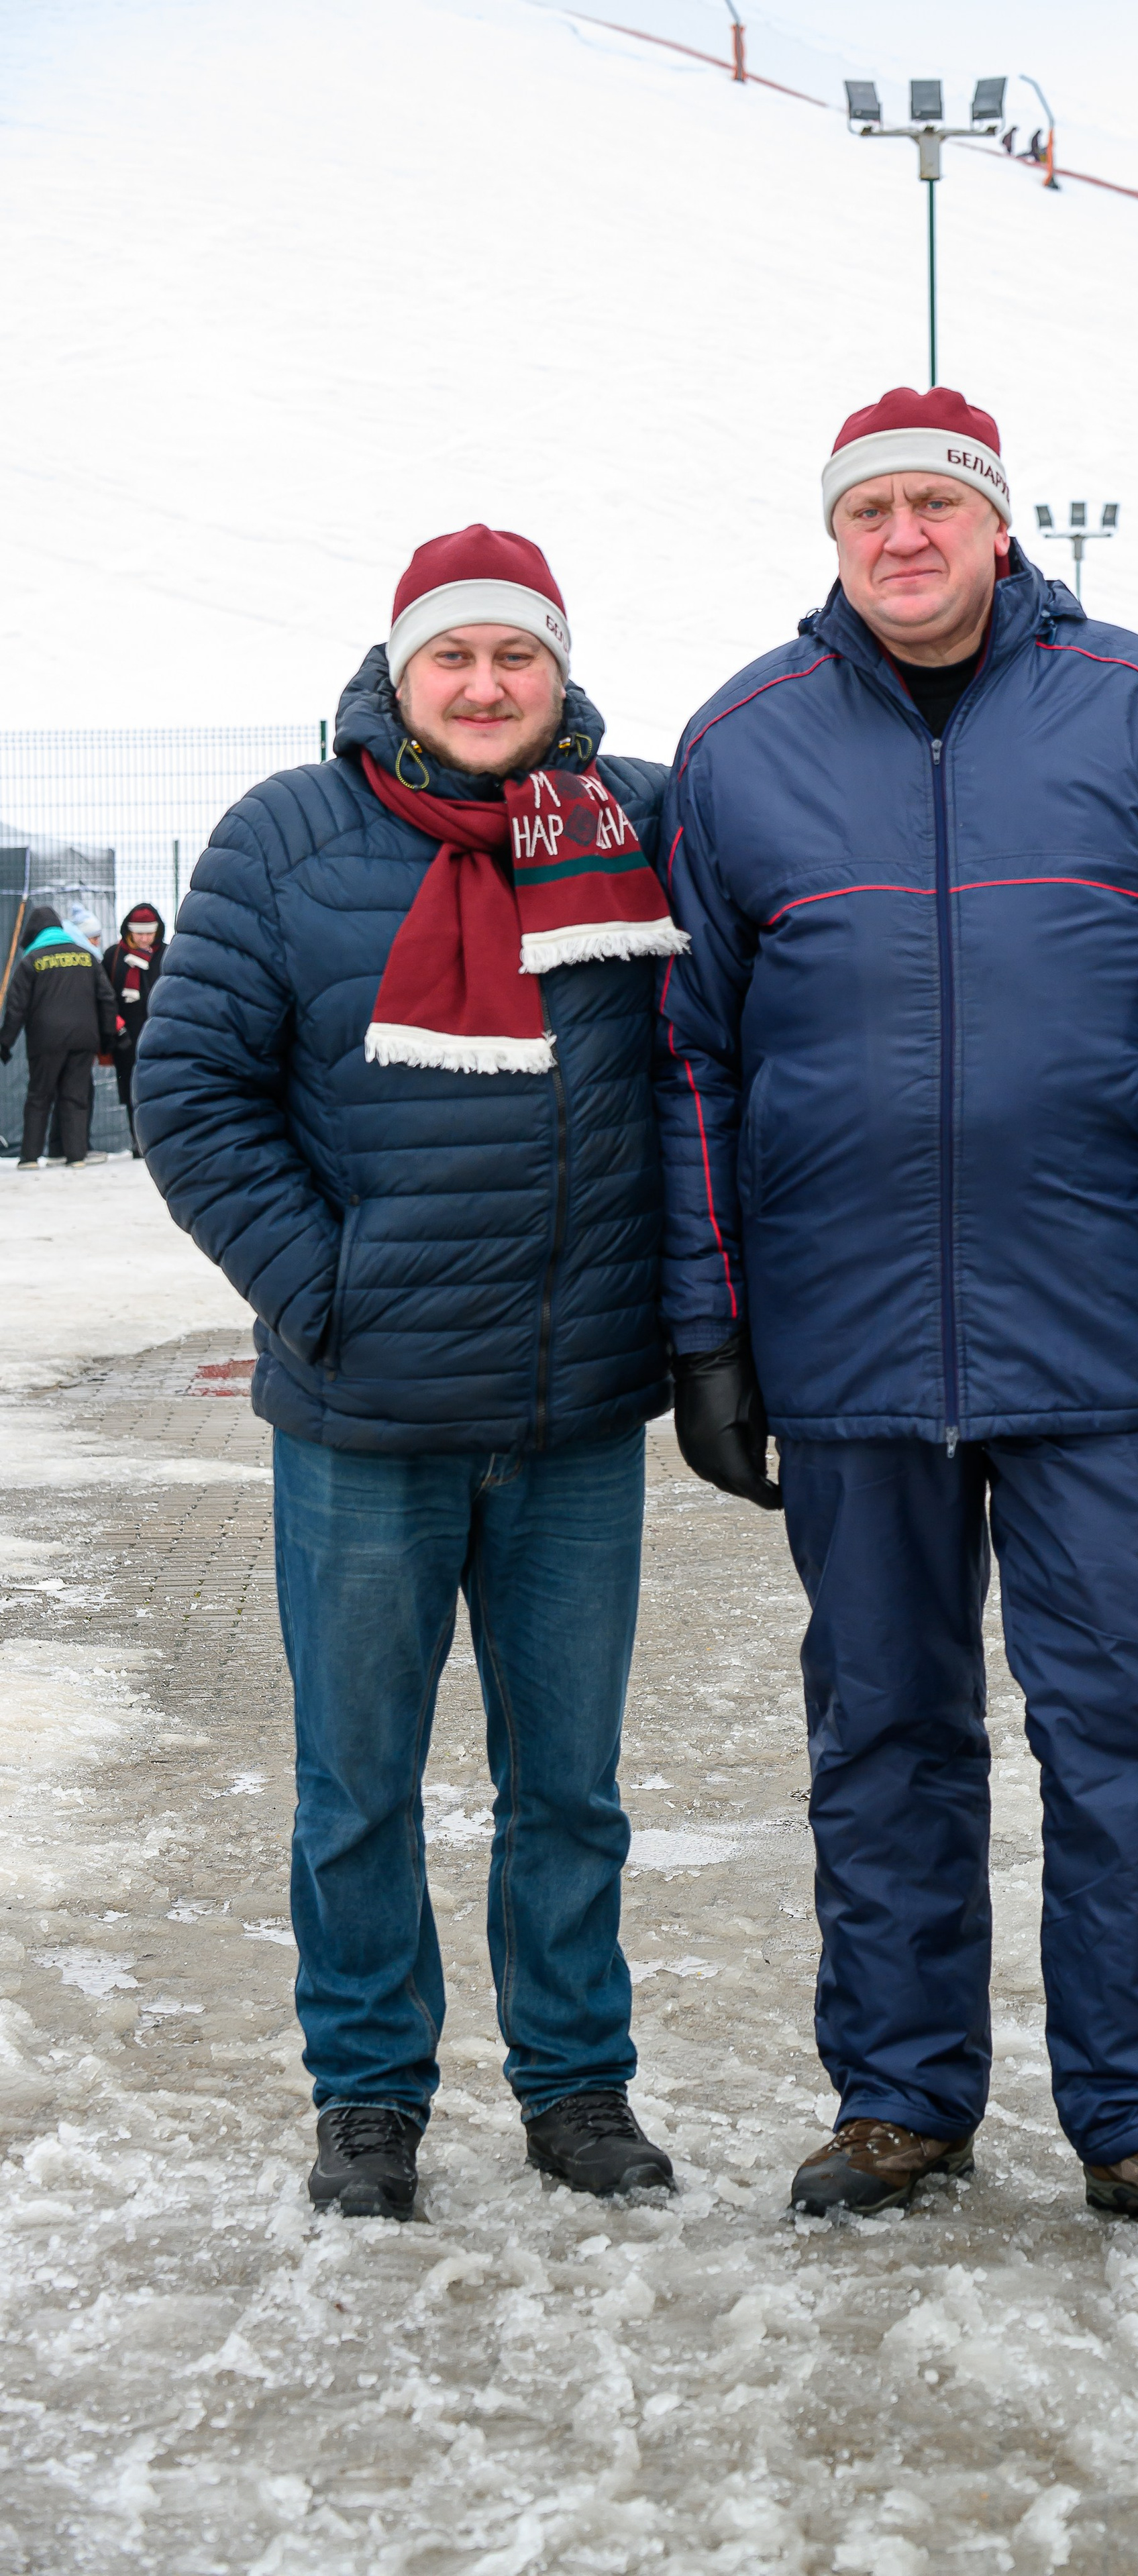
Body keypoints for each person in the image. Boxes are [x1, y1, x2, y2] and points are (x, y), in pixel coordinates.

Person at [657, 386, 1138, 2237]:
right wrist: (710, 1331)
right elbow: (688, 1062)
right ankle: (899, 2104)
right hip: (848, 1343)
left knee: (1129, 1728)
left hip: (1102, 1338)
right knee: (885, 1732)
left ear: (1004, 526)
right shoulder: (743, 747)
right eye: (869, 511)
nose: (904, 538)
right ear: (834, 537)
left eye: (938, 505)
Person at [135, 525, 686, 2222]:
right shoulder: (288, 841)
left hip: (574, 1413)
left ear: (557, 668)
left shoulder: (639, 825)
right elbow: (194, 1089)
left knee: (568, 1788)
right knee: (356, 1782)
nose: (482, 684)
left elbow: (715, 1069)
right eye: (451, 655)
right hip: (364, 1417)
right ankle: (368, 2092)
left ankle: (575, 2085)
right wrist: (322, 1289)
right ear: (396, 672)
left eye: (514, 655)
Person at [0, 903, 116, 1169]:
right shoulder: (86, 956)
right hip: (84, 1039)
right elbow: (107, 998)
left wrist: (5, 1043)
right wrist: (107, 1036)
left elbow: (16, 1008)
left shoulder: (31, 961)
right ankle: (76, 1156)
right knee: (76, 1096)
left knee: (40, 1096)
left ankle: (30, 1157)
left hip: (45, 1041)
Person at [102, 902, 166, 1155]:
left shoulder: (167, 954)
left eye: (149, 932)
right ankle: (137, 1140)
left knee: (160, 1088)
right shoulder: (113, 956)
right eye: (139, 932)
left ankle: (161, 1140)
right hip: (126, 1037)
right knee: (131, 1090)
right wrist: (116, 1026)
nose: (144, 938)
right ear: (128, 931)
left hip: (160, 1034)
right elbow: (105, 994)